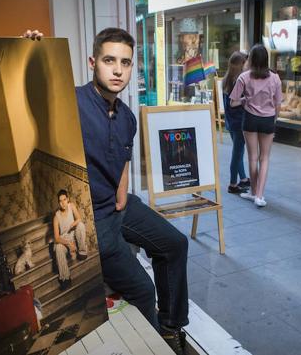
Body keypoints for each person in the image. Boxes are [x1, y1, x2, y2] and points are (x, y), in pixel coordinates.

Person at [25, 28, 189, 354]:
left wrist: (124, 191)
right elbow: (39, 98)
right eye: (109, 60)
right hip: (93, 219)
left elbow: (123, 157)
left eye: (125, 63)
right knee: (143, 290)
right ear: (92, 62)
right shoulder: (72, 102)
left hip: (118, 208)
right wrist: (29, 51)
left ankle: (170, 328)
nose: (117, 70)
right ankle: (152, 348)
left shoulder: (127, 117)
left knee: (175, 244)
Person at [229, 44, 282, 207]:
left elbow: (233, 103)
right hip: (268, 120)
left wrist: (246, 100)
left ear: (251, 59)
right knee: (264, 158)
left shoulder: (243, 77)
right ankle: (259, 195)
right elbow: (278, 103)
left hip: (250, 119)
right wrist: (274, 119)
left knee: (252, 157)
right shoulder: (275, 78)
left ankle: (253, 192)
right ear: (267, 59)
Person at [222, 51, 250, 194]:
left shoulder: (227, 79)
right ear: (240, 64)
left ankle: (244, 179)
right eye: (245, 63)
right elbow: (234, 103)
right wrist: (246, 99)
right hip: (239, 123)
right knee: (238, 153)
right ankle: (233, 184)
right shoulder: (238, 81)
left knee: (238, 151)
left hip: (230, 122)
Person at [52, 189, 88, 290]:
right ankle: (65, 278)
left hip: (73, 236)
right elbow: (57, 238)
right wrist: (68, 244)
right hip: (64, 241)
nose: (63, 203)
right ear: (58, 202)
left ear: (67, 199)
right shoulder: (56, 217)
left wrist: (74, 223)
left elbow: (79, 218)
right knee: (58, 247)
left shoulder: (71, 206)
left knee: (80, 225)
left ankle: (82, 251)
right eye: (60, 201)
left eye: (64, 199)